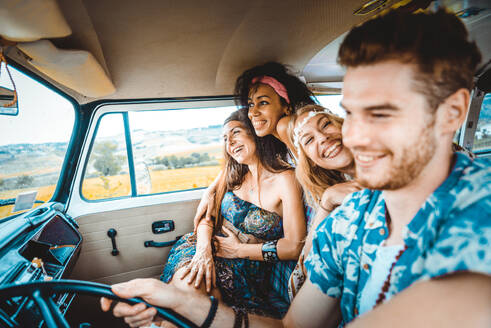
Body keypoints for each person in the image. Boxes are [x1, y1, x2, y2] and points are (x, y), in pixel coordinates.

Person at [101, 9, 491, 327]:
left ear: (451, 112)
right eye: (352, 113)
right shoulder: (344, 222)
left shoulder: (475, 204)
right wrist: (183, 305)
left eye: (385, 111)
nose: (354, 135)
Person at [159, 109, 306, 321]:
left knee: (196, 301)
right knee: (188, 286)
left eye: (235, 133)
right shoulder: (232, 174)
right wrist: (203, 251)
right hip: (201, 248)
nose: (229, 143)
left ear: (255, 132)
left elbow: (294, 247)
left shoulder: (285, 178)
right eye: (225, 139)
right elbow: (206, 217)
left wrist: (238, 250)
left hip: (247, 269)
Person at [194, 62, 316, 228]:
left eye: (263, 102)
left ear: (287, 107)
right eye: (251, 104)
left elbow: (317, 180)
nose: (253, 112)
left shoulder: (285, 126)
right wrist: (210, 190)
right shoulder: (274, 142)